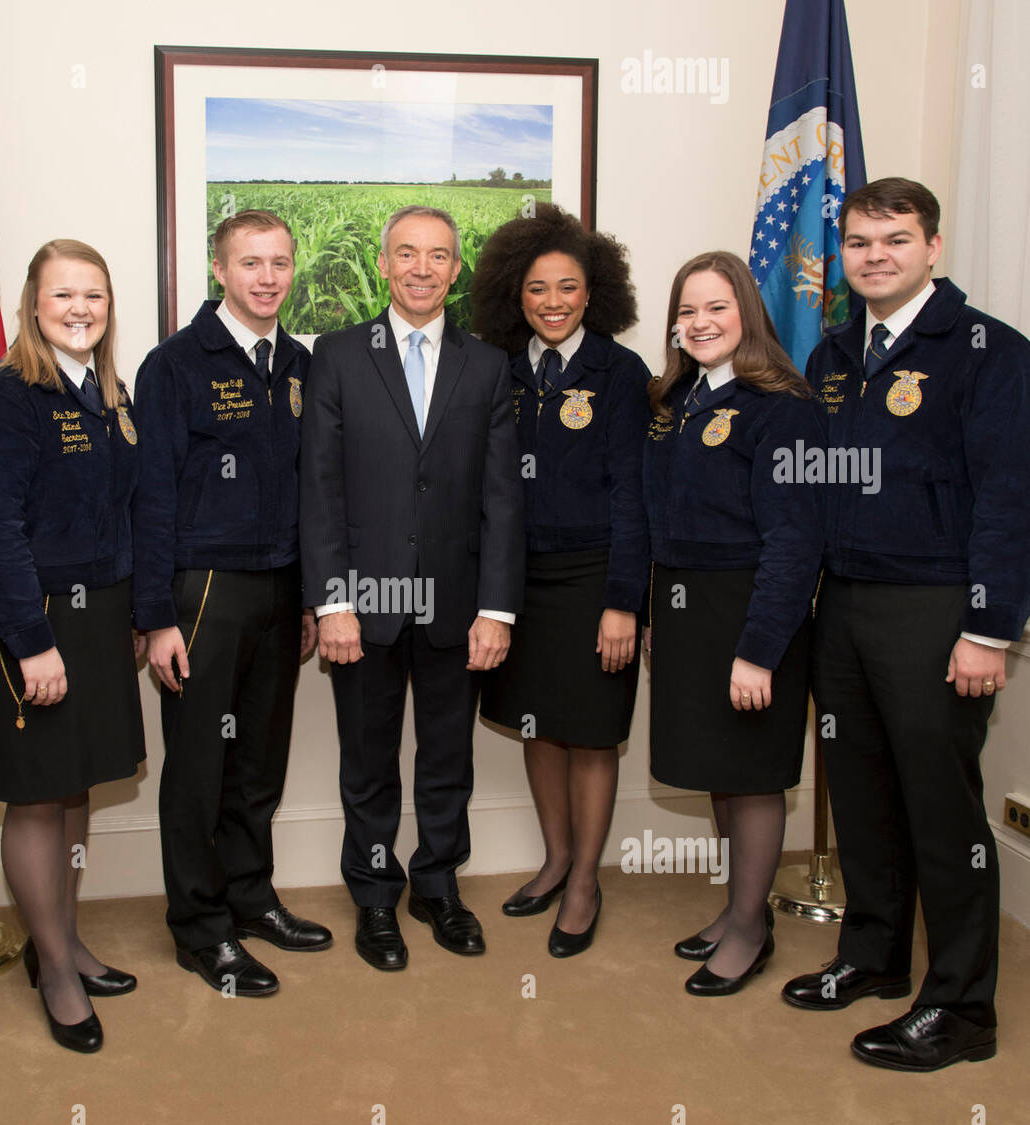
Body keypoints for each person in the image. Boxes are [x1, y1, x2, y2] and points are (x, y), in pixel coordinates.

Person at [781, 178, 1030, 1070]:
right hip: (844, 606)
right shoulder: (835, 355)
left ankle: (962, 1009)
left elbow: (1009, 499)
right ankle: (873, 956)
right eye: (858, 242)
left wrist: (990, 628)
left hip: (937, 612)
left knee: (941, 812)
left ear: (932, 248)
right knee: (862, 800)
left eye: (894, 239)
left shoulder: (988, 352)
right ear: (841, 255)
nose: (875, 255)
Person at [300, 204, 525, 971]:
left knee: (446, 758)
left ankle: (437, 884)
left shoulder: (488, 365)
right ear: (386, 263)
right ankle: (373, 896)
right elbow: (320, 489)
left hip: (460, 607)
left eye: (437, 255)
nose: (422, 268)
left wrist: (497, 609)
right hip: (361, 604)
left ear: (455, 269)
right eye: (406, 254)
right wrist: (332, 601)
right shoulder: (334, 354)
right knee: (367, 763)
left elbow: (502, 497)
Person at [133, 210, 329, 999]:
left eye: (280, 262)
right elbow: (149, 499)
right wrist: (155, 617)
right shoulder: (174, 364)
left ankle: (251, 896)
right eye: (251, 262)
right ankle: (201, 927)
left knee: (258, 762)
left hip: (282, 589)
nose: (268, 277)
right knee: (199, 770)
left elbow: (313, 492)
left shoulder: (299, 365)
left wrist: (314, 597)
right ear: (219, 269)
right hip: (203, 592)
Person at [0, 240, 144, 1052]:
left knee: (75, 790)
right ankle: (57, 971)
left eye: (94, 296)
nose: (80, 309)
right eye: (64, 294)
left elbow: (127, 509)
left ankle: (59, 941)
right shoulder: (5, 399)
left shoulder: (107, 389)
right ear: (33, 304)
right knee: (36, 796)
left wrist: (135, 609)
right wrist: (31, 644)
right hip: (32, 623)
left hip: (99, 617)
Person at [644, 250, 824, 995]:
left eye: (716, 306)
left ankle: (751, 927)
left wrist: (759, 652)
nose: (700, 322)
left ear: (747, 312)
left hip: (752, 611)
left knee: (751, 775)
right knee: (721, 766)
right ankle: (738, 906)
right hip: (690, 610)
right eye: (687, 310)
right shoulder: (680, 399)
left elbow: (795, 539)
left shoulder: (784, 406)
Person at [471, 204, 649, 957]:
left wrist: (622, 603)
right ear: (516, 293)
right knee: (536, 723)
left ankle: (586, 880)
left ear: (592, 293)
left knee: (591, 730)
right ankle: (555, 858)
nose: (551, 301)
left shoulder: (620, 372)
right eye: (537, 288)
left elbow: (634, 494)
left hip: (593, 576)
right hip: (516, 580)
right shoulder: (498, 371)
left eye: (567, 287)